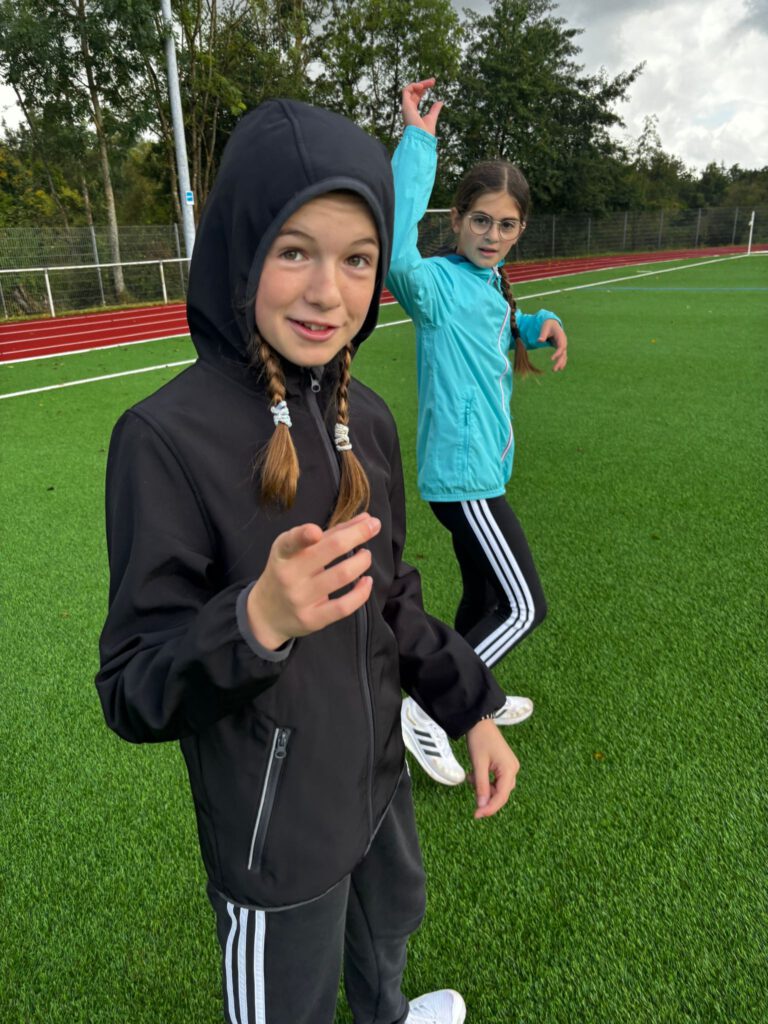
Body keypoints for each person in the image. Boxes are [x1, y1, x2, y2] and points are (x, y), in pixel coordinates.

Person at [95, 97, 521, 1024]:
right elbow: (132, 687)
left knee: (386, 934)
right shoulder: (165, 439)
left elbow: (392, 597)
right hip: (274, 833)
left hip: (376, 783)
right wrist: (256, 623)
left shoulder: (366, 418)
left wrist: (472, 706)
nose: (329, 291)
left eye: (358, 259)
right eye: (296, 251)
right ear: (241, 249)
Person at [387, 79, 568, 788]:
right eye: (482, 221)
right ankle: (436, 707)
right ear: (457, 218)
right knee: (523, 606)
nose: (493, 235)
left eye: (507, 225)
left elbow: (502, 324)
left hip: (480, 470)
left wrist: (539, 324)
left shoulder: (489, 284)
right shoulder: (434, 284)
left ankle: (470, 689)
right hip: (463, 478)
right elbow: (395, 248)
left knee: (483, 600)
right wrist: (418, 142)